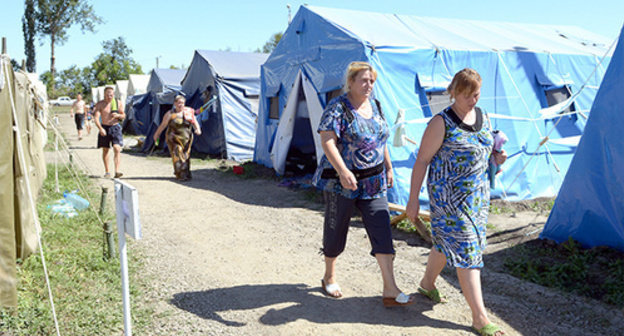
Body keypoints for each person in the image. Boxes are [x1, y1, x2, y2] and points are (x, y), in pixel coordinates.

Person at [406, 68, 507, 336]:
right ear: (454, 92)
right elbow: (422, 161)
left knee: (444, 243)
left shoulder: (483, 117)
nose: (473, 100)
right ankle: (480, 317)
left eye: (476, 94)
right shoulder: (441, 122)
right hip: (449, 199)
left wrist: (497, 160)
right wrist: (413, 200)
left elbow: (487, 152)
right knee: (468, 252)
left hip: (477, 198)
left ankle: (427, 283)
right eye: (467, 95)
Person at [312, 61, 413, 307]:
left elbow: (381, 141)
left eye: (372, 81)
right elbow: (327, 141)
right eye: (364, 81)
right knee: (336, 230)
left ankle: (390, 287)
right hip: (342, 182)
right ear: (351, 82)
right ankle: (329, 276)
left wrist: (389, 167)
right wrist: (344, 171)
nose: (369, 85)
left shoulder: (376, 106)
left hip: (374, 182)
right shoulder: (338, 107)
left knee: (382, 230)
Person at [152, 95, 201, 181]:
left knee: (186, 156)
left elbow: (194, 121)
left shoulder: (188, 112)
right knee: (177, 154)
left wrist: (197, 129)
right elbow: (163, 125)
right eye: (178, 103)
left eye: (182, 103)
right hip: (173, 139)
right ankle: (180, 175)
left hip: (187, 138)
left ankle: (186, 173)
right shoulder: (170, 114)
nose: (180, 105)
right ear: (175, 103)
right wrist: (157, 134)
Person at [93, 86, 125, 178]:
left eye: (111, 94)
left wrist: (118, 115)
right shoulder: (100, 104)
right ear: (104, 94)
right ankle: (107, 171)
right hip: (104, 127)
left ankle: (117, 171)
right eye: (107, 94)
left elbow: (123, 115)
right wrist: (100, 128)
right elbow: (96, 118)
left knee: (117, 148)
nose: (109, 96)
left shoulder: (118, 103)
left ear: (113, 94)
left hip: (115, 128)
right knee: (105, 150)